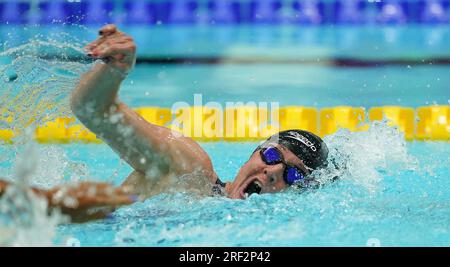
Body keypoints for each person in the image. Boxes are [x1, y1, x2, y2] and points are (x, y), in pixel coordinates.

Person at [0, 25, 329, 223]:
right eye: (272, 157)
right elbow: (91, 109)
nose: (274, 172)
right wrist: (113, 71)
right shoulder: (187, 168)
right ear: (254, 153)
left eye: (293, 173)